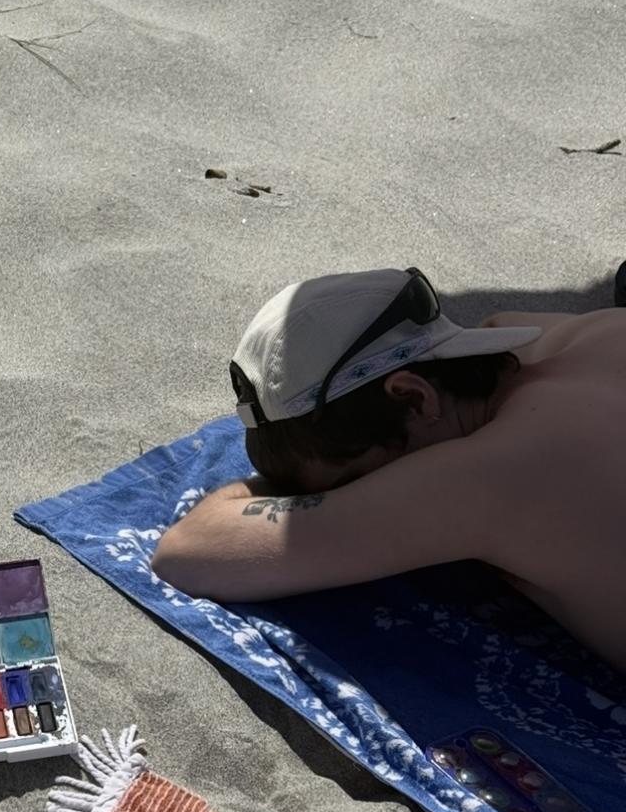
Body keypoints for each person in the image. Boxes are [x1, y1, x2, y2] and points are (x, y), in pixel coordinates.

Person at [150, 265, 626, 670]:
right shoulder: (575, 332)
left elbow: (186, 552)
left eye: (356, 481)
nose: (376, 492)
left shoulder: (488, 474)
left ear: (414, 397)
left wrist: (303, 500)